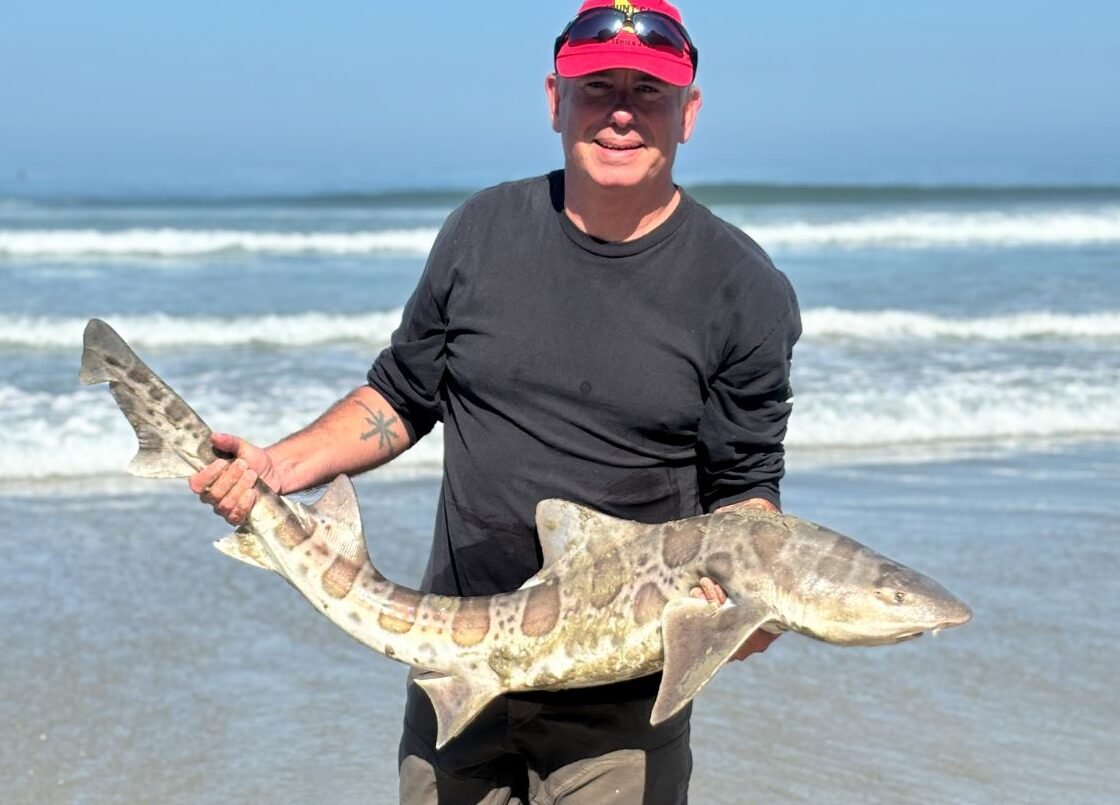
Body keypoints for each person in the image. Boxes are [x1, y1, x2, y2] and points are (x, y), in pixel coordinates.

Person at [190, 0, 801, 802]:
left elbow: (744, 485)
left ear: (688, 112)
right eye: (596, 89)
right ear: (554, 100)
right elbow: (402, 396)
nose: (621, 113)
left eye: (648, 93)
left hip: (621, 695)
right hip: (452, 654)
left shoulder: (743, 288)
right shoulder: (481, 232)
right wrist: (275, 466)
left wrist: (754, 598)